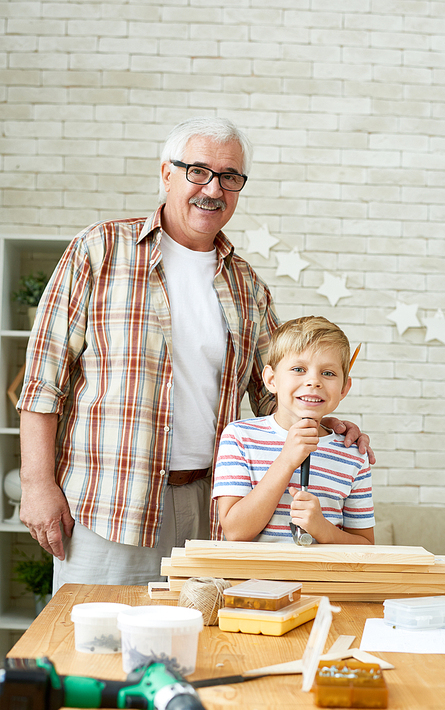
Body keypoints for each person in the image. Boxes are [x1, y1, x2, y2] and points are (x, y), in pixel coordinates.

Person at [18, 117, 373, 589]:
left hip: (210, 505)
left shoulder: (246, 285)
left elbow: (277, 388)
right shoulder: (100, 249)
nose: (214, 188)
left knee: (197, 651)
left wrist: (325, 424)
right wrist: (36, 484)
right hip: (108, 501)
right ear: (167, 173)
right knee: (96, 651)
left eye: (230, 177)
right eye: (198, 171)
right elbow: (43, 380)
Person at [213, 316, 375, 544]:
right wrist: (286, 460)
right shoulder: (239, 437)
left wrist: (323, 529)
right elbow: (236, 532)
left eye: (328, 373)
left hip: (325, 579)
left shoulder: (353, 452)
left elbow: (366, 545)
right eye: (298, 369)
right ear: (271, 379)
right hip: (256, 579)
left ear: (344, 388)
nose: (313, 381)